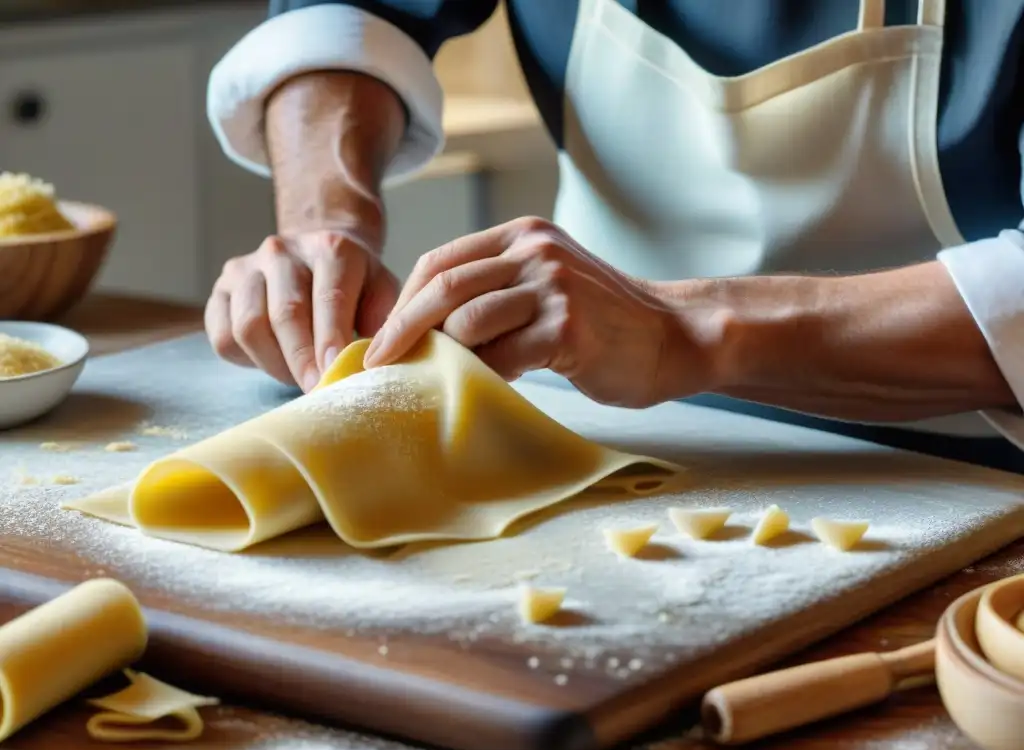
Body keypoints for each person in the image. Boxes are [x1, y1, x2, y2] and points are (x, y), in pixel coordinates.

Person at [204, 0, 1024, 472]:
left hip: (967, 474)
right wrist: (326, 225)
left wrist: (690, 329)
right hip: (587, 438)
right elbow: (350, 10)